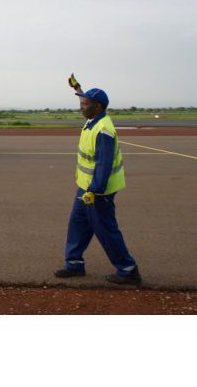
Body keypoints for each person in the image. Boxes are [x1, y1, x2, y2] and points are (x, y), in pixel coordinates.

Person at [54, 74, 142, 285]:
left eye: (85, 104)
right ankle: (74, 264)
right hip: (84, 188)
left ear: (98, 106)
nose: (81, 107)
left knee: (105, 229)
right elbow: (85, 98)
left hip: (97, 191)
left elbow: (103, 165)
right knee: (77, 225)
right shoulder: (93, 119)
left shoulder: (103, 131)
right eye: (81, 102)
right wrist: (77, 88)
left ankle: (128, 269)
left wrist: (93, 191)